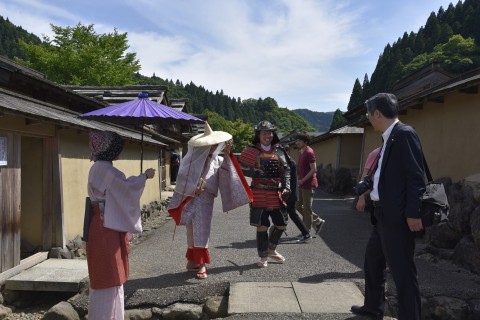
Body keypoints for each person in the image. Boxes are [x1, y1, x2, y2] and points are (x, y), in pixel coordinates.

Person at [351, 93, 425, 320]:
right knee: (373, 262)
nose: (368, 119)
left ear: (378, 113)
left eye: (368, 115)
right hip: (382, 215)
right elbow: (386, 176)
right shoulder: (389, 138)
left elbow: (415, 177)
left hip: (398, 217)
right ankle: (373, 307)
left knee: (403, 273)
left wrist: (413, 213)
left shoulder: (404, 134)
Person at [86, 130, 156, 320]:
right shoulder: (107, 170)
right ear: (110, 150)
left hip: (100, 224)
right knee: (110, 275)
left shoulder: (97, 168)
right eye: (118, 149)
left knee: (104, 274)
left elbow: (121, 188)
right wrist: (144, 177)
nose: (120, 152)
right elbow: (126, 189)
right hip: (107, 227)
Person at [168, 123, 252, 279]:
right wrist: (193, 188)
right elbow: (182, 178)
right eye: (210, 144)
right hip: (192, 197)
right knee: (192, 230)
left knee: (202, 229)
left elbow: (227, 173)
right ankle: (195, 262)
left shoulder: (218, 160)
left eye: (215, 144)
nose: (213, 147)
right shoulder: (192, 159)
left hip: (206, 199)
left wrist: (227, 153)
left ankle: (199, 263)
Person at [239, 120, 291, 268]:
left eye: (270, 132)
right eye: (264, 133)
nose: (267, 135)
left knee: (281, 224)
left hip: (276, 193)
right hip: (258, 192)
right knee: (261, 226)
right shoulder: (251, 151)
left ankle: (271, 250)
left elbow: (287, 170)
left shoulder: (279, 151)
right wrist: (252, 171)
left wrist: (287, 186)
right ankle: (263, 257)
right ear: (258, 134)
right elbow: (240, 167)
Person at [294, 133, 325, 236]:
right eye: (296, 140)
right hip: (301, 184)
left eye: (299, 140)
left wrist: (303, 180)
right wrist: (299, 179)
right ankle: (317, 221)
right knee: (297, 205)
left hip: (308, 184)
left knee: (307, 208)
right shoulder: (300, 152)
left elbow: (314, 169)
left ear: (305, 142)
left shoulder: (309, 152)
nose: (297, 142)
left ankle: (306, 230)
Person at [283, 144, 312, 243]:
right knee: (290, 213)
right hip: (289, 193)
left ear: (287, 152)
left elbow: (288, 180)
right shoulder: (288, 162)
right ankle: (305, 233)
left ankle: (306, 233)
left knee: (291, 213)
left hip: (290, 193)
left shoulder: (290, 163)